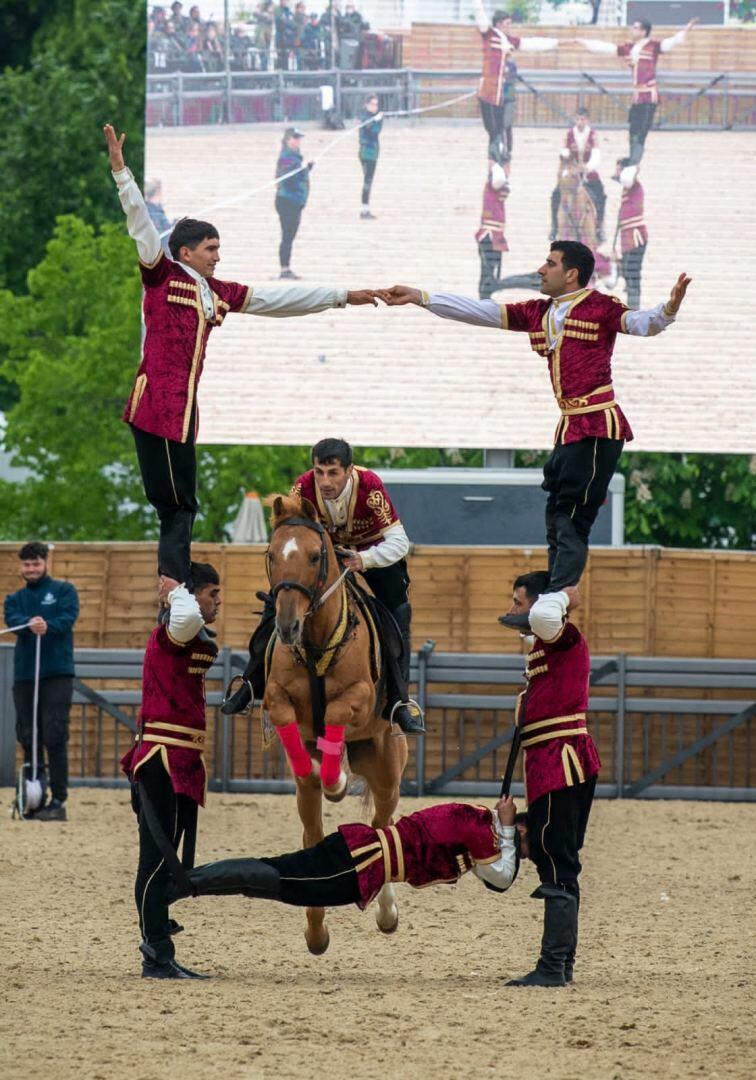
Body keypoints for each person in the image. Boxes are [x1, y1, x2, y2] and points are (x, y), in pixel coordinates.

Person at [104, 124, 378, 594]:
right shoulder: (162, 273)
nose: (217, 256)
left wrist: (343, 296)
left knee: (184, 504)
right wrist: (121, 174)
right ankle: (174, 586)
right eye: (210, 249)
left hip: (182, 413)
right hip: (157, 408)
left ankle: (177, 583)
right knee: (175, 505)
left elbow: (280, 299)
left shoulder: (219, 291)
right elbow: (140, 224)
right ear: (185, 251)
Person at [381, 242, 691, 598]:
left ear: (571, 273)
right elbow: (480, 311)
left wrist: (669, 308)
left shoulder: (599, 306)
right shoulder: (540, 312)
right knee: (556, 513)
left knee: (572, 516)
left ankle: (560, 594)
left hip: (596, 425)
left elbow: (642, 323)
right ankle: (554, 592)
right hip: (570, 427)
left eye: (550, 263)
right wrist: (421, 297)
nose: (541, 270)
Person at [223, 437, 425, 735]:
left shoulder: (370, 488)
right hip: (325, 553)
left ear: (349, 470)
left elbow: (399, 542)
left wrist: (364, 559)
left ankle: (399, 700)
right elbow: (290, 530)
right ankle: (252, 682)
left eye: (333, 473)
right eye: (319, 472)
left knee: (399, 611)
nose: (325, 481)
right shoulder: (302, 487)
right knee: (279, 599)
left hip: (373, 553)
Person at [120, 563, 222, 979]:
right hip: (161, 759)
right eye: (213, 593)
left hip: (181, 761)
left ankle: (159, 939)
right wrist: (176, 588)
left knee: (166, 860)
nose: (218, 601)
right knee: (156, 859)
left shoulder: (187, 631)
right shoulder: (177, 629)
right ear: (192, 597)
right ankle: (156, 954)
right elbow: (187, 615)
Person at [500, 576, 600, 986]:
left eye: (518, 602)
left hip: (560, 762)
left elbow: (544, 614)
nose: (514, 609)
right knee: (558, 860)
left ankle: (552, 967)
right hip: (549, 764)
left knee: (556, 861)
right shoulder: (545, 645)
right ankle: (561, 965)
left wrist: (562, 595)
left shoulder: (564, 637)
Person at [170, 795, 523, 910]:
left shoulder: (477, 823)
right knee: (275, 877)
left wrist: (505, 829)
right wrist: (508, 829)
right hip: (359, 864)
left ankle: (188, 884)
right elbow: (503, 879)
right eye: (524, 849)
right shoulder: (482, 828)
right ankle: (185, 884)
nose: (520, 855)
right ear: (519, 830)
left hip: (359, 859)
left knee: (276, 882)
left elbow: (491, 876)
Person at [4, 542, 80, 821]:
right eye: (27, 564)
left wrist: (48, 625)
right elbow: (12, 619)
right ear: (21, 567)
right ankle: (34, 796)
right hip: (26, 676)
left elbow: (68, 617)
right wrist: (29, 623)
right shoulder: (14, 599)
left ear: (45, 563)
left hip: (56, 673)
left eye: (36, 563)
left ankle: (58, 800)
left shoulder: (64, 591)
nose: (31, 569)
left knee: (54, 734)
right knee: (28, 736)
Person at [575, 18, 698, 163]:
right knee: (633, 133)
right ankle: (632, 162)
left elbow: (672, 42)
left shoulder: (653, 46)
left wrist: (686, 30)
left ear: (643, 31)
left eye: (635, 28)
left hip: (648, 95)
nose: (632, 30)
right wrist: (584, 42)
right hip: (637, 96)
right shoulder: (629, 48)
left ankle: (633, 164)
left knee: (640, 134)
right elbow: (607, 47)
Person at [473, 1, 558, 159]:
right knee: (494, 132)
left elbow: (532, 43)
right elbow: (479, 13)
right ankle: (498, 159)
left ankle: (499, 159)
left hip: (500, 95)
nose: (509, 27)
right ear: (499, 24)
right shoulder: (489, 34)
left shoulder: (509, 41)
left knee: (498, 131)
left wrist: (557, 43)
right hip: (488, 92)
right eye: (507, 24)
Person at [549, 107, 606, 243]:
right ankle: (554, 227)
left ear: (587, 120)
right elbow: (564, 151)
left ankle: (599, 228)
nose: (580, 122)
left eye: (583, 119)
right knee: (555, 195)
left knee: (601, 196)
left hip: (588, 174)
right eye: (578, 119)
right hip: (572, 174)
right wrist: (569, 162)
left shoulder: (592, 135)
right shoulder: (569, 134)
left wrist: (587, 167)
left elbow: (596, 155)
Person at [275, 127, 312, 279]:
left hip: (295, 201)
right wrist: (303, 169)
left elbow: (297, 175)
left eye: (299, 138)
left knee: (290, 235)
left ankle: (286, 268)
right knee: (287, 235)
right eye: (295, 138)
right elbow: (288, 176)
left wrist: (306, 169)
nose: (298, 141)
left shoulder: (295, 156)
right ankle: (284, 269)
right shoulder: (286, 156)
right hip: (287, 201)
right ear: (288, 140)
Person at [476, 153, 510, 300]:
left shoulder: (498, 187)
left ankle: (485, 297)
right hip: (489, 235)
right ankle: (484, 298)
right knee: (488, 271)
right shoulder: (493, 185)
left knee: (490, 270)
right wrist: (495, 165)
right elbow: (499, 179)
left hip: (495, 235)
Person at [614, 157, 647, 310]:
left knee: (632, 272)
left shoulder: (633, 185)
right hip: (627, 238)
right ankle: (633, 307)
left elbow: (628, 177)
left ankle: (634, 308)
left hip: (635, 236)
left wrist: (632, 167)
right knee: (628, 272)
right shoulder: (627, 189)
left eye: (619, 169)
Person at [358, 94, 383, 220]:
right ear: (367, 105)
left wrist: (378, 120)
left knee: (368, 180)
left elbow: (376, 130)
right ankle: (364, 210)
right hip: (366, 153)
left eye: (376, 104)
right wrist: (376, 120)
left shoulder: (376, 117)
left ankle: (365, 208)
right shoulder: (364, 116)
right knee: (367, 181)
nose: (375, 107)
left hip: (373, 153)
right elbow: (371, 130)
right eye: (372, 104)